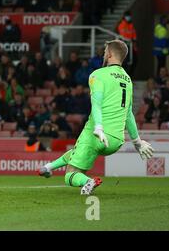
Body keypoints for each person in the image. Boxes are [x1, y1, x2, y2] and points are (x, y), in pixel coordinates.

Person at [38, 40, 154, 195]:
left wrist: (98, 127)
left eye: (105, 51)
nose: (104, 54)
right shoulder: (127, 80)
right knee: (77, 150)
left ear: (110, 54)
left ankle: (88, 181)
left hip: (97, 134)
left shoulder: (98, 74)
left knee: (70, 175)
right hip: (116, 141)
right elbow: (129, 114)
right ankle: (48, 167)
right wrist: (137, 142)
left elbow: (96, 104)